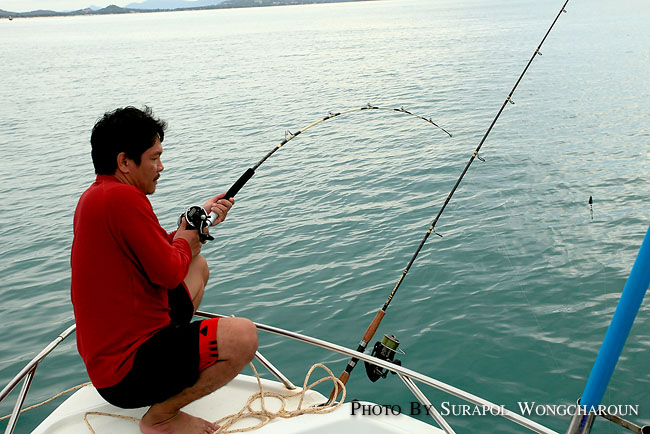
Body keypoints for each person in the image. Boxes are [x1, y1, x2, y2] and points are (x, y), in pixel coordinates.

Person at [71, 106, 258, 434]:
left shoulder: (98, 196)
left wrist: (195, 225)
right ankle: (162, 417)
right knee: (242, 336)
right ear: (125, 162)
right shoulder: (123, 200)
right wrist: (186, 238)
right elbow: (170, 273)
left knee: (198, 266)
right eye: (154, 158)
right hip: (127, 373)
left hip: (108, 364)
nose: (161, 167)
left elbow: (166, 254)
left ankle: (174, 361)